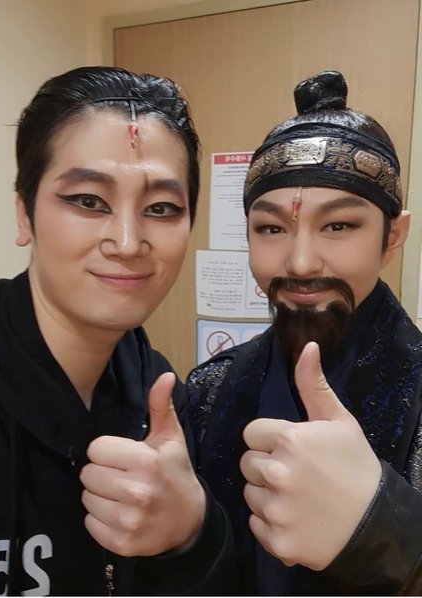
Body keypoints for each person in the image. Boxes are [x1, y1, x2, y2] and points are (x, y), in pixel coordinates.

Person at [0, 66, 236, 596]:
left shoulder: (161, 398)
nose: (127, 242)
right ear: (24, 214)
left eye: (162, 208)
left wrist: (193, 534)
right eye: (87, 201)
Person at [187, 70, 422, 595]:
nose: (299, 262)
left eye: (338, 226)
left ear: (393, 236)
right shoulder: (209, 389)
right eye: (271, 228)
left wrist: (387, 535)